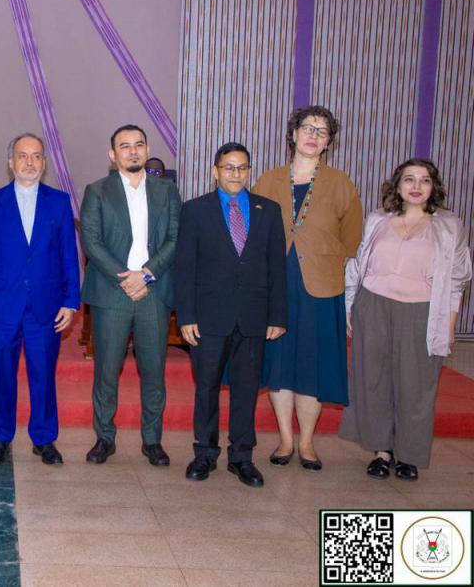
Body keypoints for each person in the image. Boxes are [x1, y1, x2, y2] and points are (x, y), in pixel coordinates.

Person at [339, 159, 471, 481]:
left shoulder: (449, 226)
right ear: (397, 185)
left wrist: (449, 324)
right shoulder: (377, 219)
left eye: (424, 180)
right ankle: (381, 451)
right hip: (373, 307)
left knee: (416, 386)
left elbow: (457, 279)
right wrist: (349, 308)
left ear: (433, 187)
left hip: (421, 313)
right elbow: (357, 264)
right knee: (373, 380)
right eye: (409, 179)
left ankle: (408, 455)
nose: (416, 186)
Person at [252, 105, 363, 470]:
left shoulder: (340, 183)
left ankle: (307, 442)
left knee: (312, 365)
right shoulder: (268, 180)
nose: (314, 135)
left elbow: (352, 238)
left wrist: (323, 256)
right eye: (308, 128)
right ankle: (285, 439)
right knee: (280, 364)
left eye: (322, 131)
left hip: (320, 286)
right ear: (293, 134)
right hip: (277, 283)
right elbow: (253, 231)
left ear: (329, 142)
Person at [175, 143, 287, 487]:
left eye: (242, 168)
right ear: (215, 171)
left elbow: (276, 267)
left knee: (246, 389)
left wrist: (277, 316)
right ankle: (204, 453)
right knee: (206, 388)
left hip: (253, 317)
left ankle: (242, 457)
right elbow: (185, 268)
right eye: (228, 167)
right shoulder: (195, 210)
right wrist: (186, 316)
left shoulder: (268, 210)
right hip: (209, 318)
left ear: (249, 171)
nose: (235, 174)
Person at [0, 133, 80, 466]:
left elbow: (69, 255)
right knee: (1, 374)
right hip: (2, 306)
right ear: (11, 162)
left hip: (46, 307)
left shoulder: (59, 202)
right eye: (22, 155)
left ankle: (44, 439)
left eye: (36, 156)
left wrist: (71, 301)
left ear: (44, 163)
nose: (29, 162)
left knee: (43, 374)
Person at [80, 124, 181, 467]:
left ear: (147, 149)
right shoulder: (97, 191)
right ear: (113, 155)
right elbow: (92, 241)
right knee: (107, 372)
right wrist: (126, 278)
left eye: (139, 144)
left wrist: (147, 274)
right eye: (125, 146)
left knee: (153, 373)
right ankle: (104, 438)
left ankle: (152, 441)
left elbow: (175, 238)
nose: (133, 151)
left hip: (154, 292)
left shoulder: (167, 191)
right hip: (113, 293)